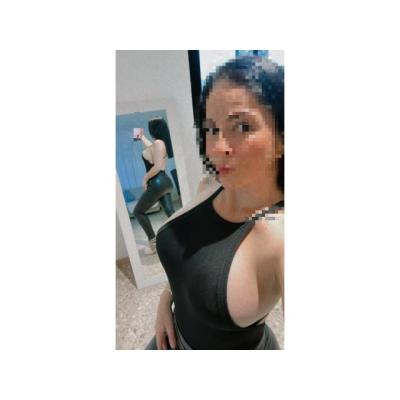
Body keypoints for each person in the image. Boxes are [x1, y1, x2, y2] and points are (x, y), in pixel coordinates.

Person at [145, 55, 284, 349]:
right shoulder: (211, 183)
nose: (217, 148)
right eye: (210, 129)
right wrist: (165, 301)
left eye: (242, 126)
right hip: (170, 337)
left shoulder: (283, 234)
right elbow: (192, 258)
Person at [133, 118, 175, 255]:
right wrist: (141, 137)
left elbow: (157, 166)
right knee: (170, 213)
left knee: (138, 212)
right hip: (165, 182)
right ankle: (180, 236)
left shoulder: (158, 143)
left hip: (157, 182)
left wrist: (145, 178)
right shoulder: (160, 144)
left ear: (153, 130)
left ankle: (153, 244)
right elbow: (151, 148)